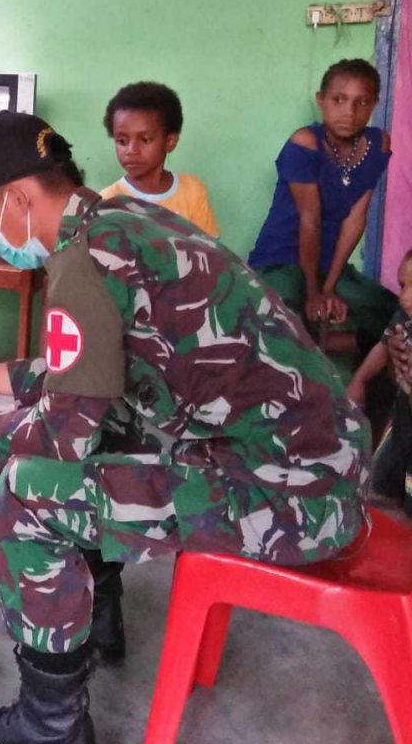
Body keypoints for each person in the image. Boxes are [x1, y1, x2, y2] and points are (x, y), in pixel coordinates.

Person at [0, 111, 368, 744]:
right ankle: (95, 615)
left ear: (18, 197)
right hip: (315, 464)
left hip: (295, 496)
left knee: (29, 493)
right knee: (108, 430)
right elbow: (97, 375)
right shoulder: (122, 222)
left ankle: (51, 732)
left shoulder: (80, 263)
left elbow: (63, 433)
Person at [248, 59, 394, 349]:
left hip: (330, 263)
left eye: (361, 102)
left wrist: (329, 288)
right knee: (282, 317)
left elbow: (356, 218)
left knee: (390, 313)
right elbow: (310, 219)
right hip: (282, 258)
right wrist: (314, 293)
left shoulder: (378, 144)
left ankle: (355, 369)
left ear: (374, 104)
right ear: (321, 100)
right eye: (339, 100)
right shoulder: (305, 143)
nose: (349, 112)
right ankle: (301, 362)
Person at [99, 81, 219, 237]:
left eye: (145, 139)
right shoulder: (107, 201)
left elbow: (209, 249)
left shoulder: (192, 191)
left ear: (170, 141)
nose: (131, 150)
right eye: (122, 141)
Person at [347, 247, 412, 514]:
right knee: (378, 486)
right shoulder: (403, 319)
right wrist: (359, 380)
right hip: (402, 417)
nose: (404, 297)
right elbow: (383, 346)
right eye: (403, 286)